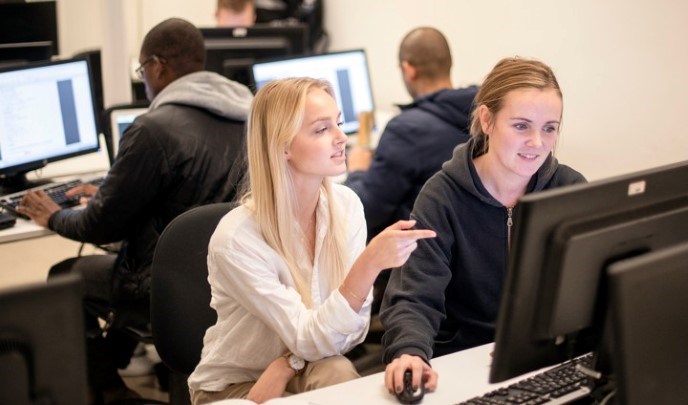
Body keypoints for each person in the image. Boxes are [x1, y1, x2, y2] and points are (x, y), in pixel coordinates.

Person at [17, 18, 253, 403]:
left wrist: (53, 215)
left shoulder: (153, 128)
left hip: (165, 283)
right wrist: (114, 189)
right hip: (238, 277)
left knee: (65, 276)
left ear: (158, 67)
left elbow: (98, 225)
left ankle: (107, 389)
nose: (144, 79)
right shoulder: (250, 114)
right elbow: (187, 194)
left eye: (142, 70)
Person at [187, 77, 436, 405]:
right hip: (237, 385)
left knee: (337, 372)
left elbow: (355, 331)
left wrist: (287, 364)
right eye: (321, 130)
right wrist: (368, 265)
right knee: (336, 373)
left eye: (339, 124)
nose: (341, 138)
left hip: (301, 367)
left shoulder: (346, 207)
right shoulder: (237, 239)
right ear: (283, 146)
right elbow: (313, 337)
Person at [379, 56, 587, 396]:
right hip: (464, 365)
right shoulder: (442, 196)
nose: (537, 142)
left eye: (550, 128)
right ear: (487, 120)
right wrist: (409, 351)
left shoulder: (569, 189)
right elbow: (414, 296)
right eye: (521, 126)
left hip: (545, 362)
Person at [345, 26, 477, 313]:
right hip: (468, 257)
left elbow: (365, 209)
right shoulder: (481, 115)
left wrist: (355, 170)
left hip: (417, 256)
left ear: (408, 69)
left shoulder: (408, 129)